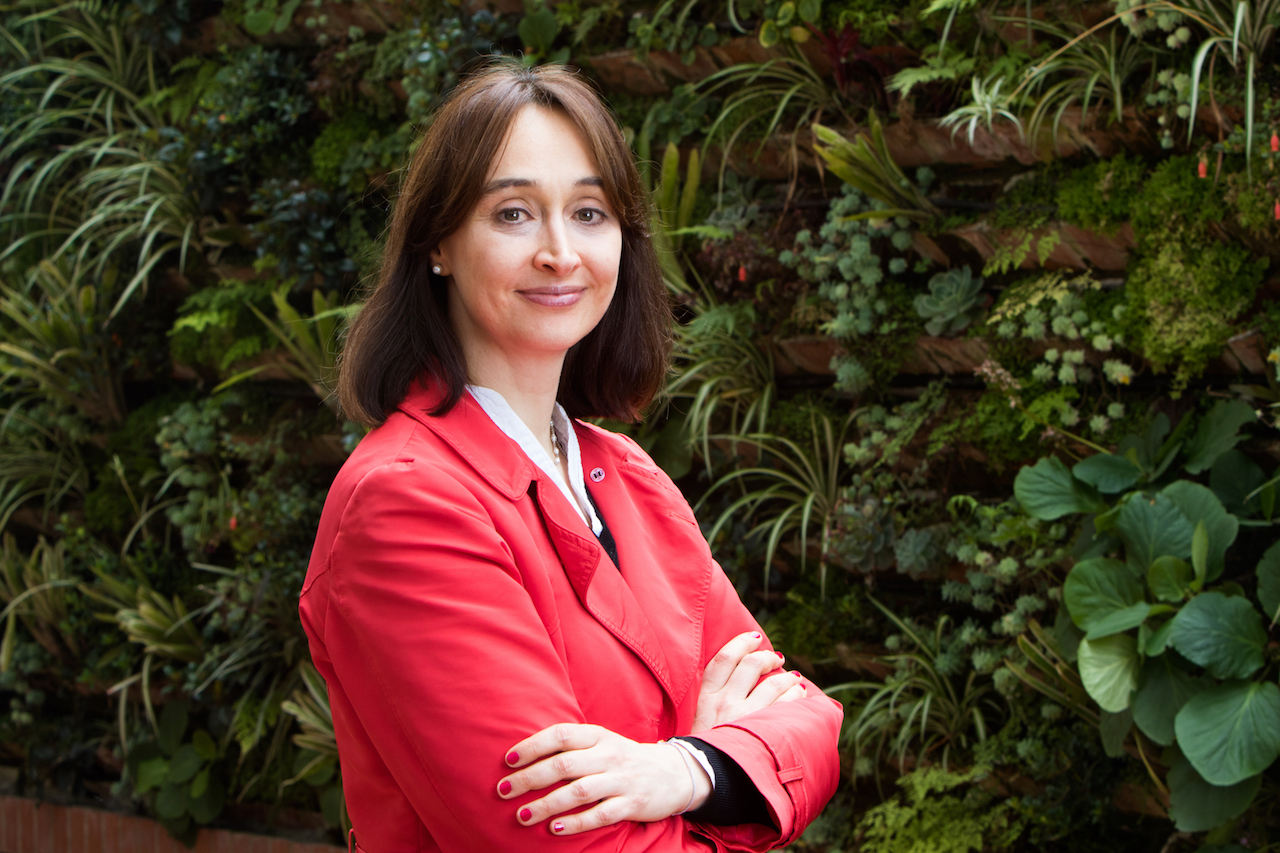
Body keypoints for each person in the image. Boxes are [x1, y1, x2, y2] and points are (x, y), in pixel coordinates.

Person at [300, 59, 842, 852]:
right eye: (513, 213)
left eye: (589, 212)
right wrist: (733, 778)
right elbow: (563, 842)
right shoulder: (406, 506)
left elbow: (808, 721)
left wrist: (687, 767)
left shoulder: (628, 477)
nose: (560, 252)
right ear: (438, 243)